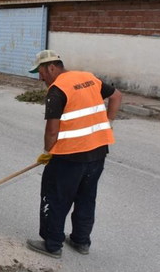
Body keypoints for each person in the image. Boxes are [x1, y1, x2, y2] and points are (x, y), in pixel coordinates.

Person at [26, 50, 122, 258]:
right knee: (86, 197)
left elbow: (52, 130)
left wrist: (46, 153)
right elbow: (116, 96)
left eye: (41, 72)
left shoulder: (57, 89)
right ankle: (81, 241)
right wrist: (108, 124)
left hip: (69, 157)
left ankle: (52, 245)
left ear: (51, 67)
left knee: (55, 197)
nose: (40, 77)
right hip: (98, 153)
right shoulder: (88, 78)